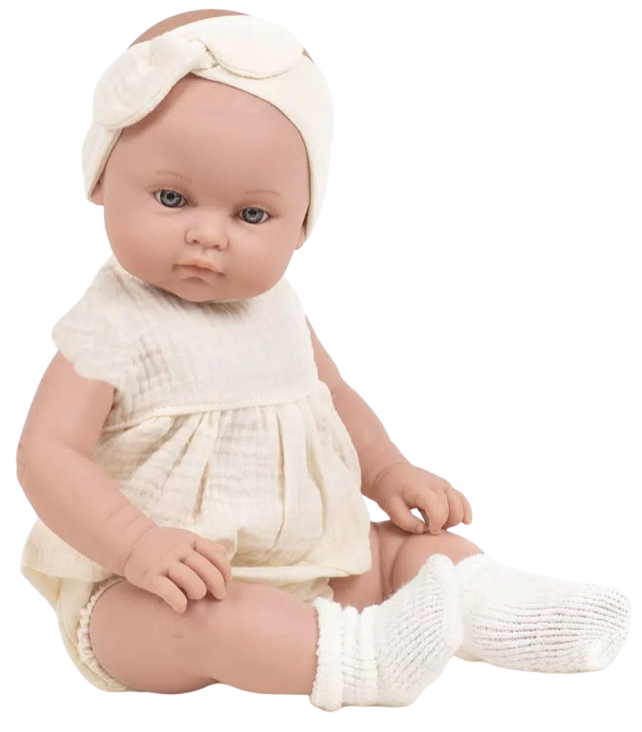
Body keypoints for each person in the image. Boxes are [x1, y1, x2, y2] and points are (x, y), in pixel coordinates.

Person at [16, 8, 631, 710]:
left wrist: (387, 469)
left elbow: (332, 393)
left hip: (316, 559)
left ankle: (496, 607)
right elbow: (47, 453)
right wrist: (136, 545)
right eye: (172, 198)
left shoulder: (276, 303)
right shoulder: (113, 325)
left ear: (303, 221)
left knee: (405, 550)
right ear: (101, 178)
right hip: (159, 587)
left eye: (252, 215)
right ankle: (365, 659)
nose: (209, 235)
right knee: (210, 622)